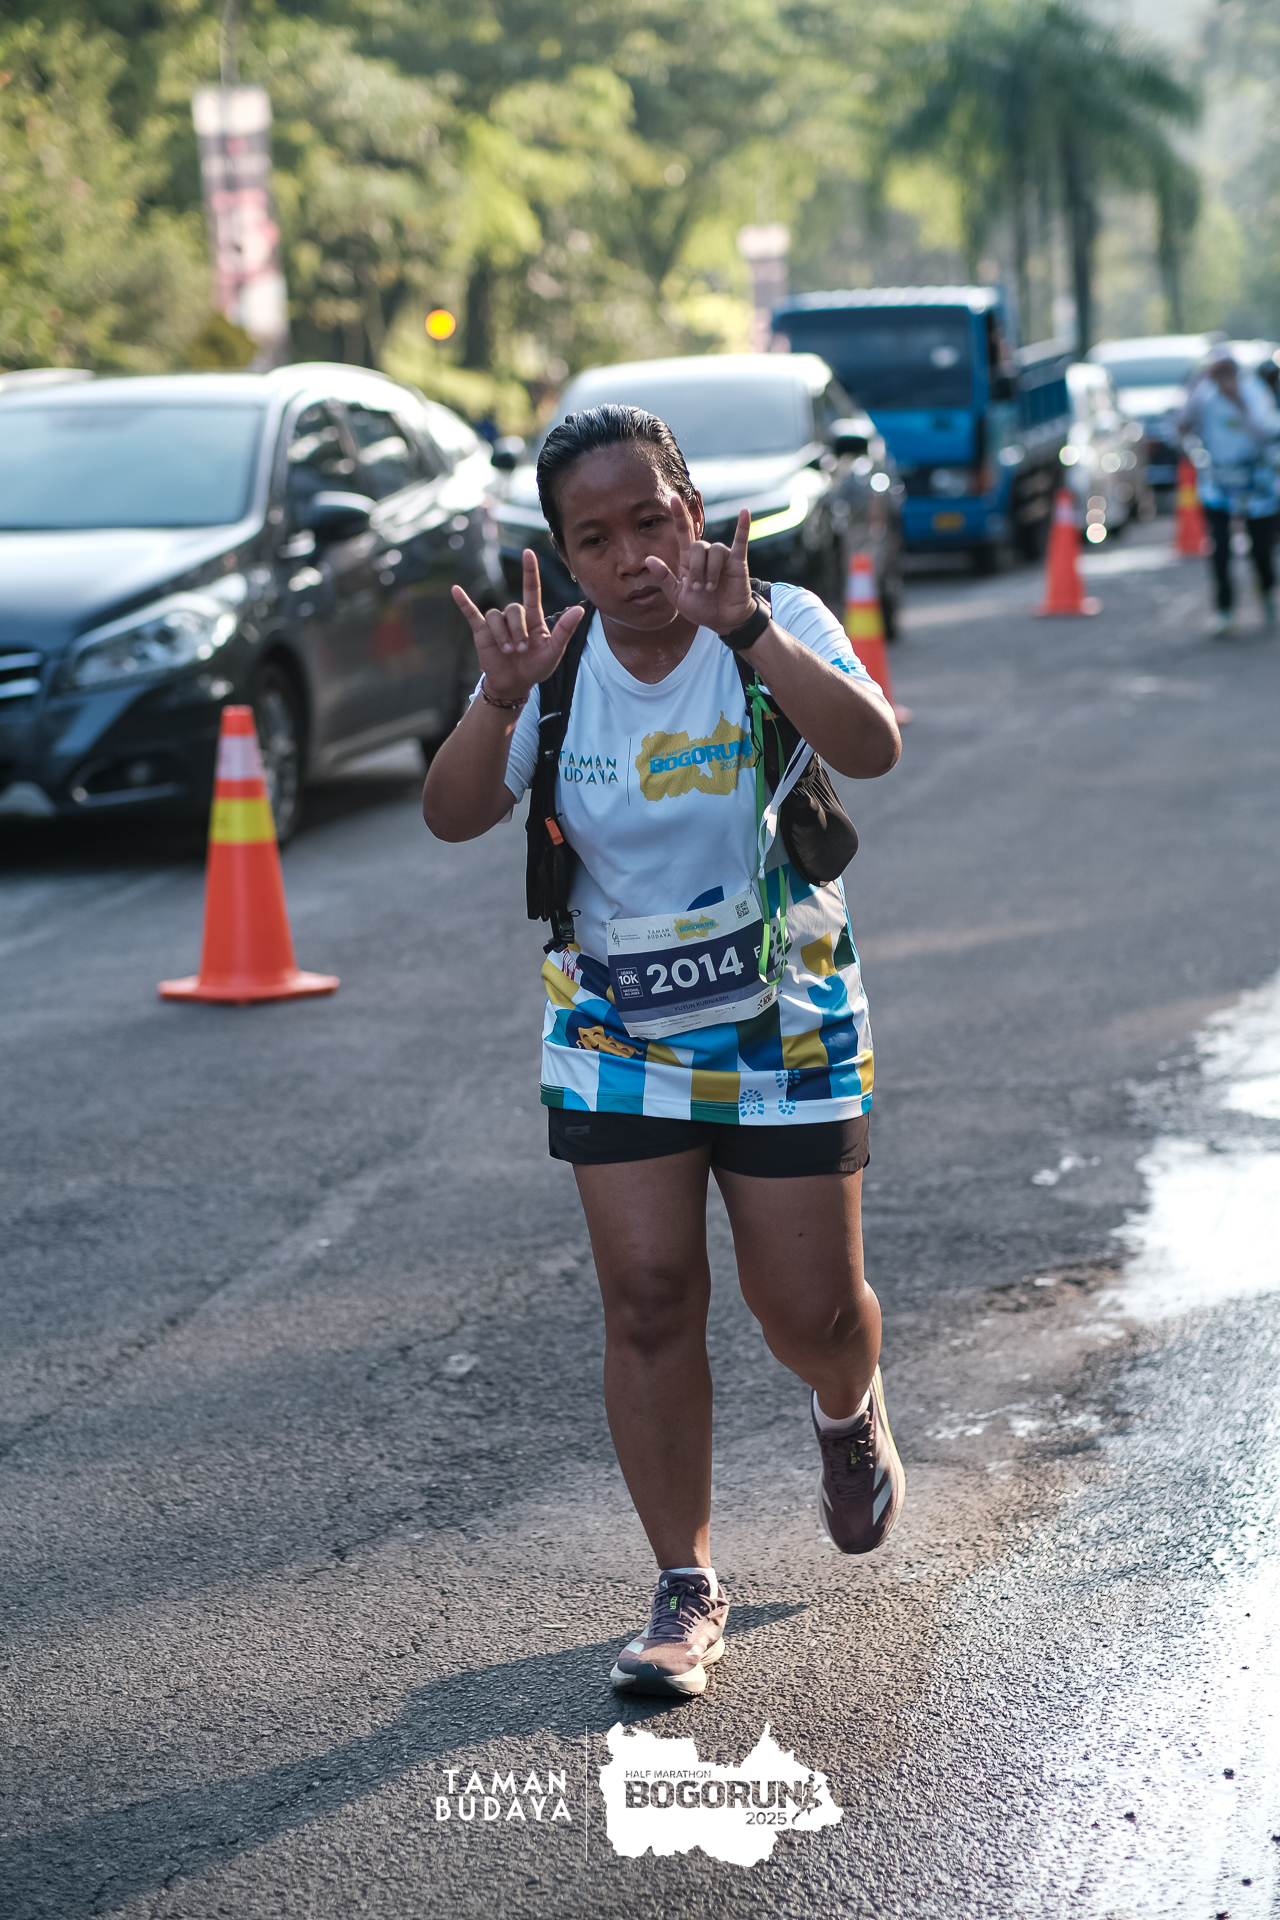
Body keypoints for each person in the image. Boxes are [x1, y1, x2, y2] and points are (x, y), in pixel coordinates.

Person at [423, 405, 903, 1698]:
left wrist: (746, 632)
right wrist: (497, 697)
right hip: (613, 1022)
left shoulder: (777, 618)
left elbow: (871, 745)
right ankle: (683, 1585)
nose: (632, 556)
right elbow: (452, 815)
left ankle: (846, 1406)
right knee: (644, 1299)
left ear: (691, 511)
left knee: (808, 1315)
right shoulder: (555, 670)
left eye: (651, 520)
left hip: (784, 1014)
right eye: (595, 538)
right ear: (563, 555)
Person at [1178, 344, 1280, 636]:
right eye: (1218, 373)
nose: (1224, 380)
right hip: (1219, 483)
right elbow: (1183, 425)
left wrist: (1238, 401)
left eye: (1229, 373)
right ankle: (1225, 610)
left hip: (1255, 483)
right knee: (1220, 547)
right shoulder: (1204, 394)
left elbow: (1268, 428)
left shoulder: (1254, 392)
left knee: (1261, 547)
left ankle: (1267, 590)